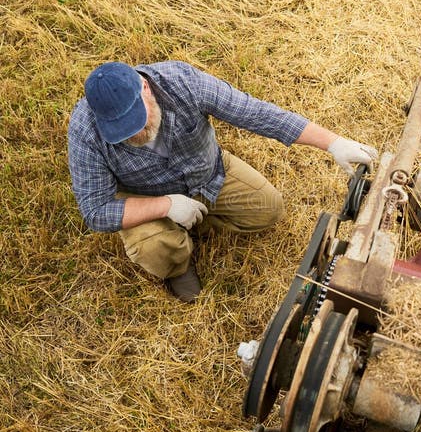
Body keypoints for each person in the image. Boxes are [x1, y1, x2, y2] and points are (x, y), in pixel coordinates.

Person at [68, 60, 378, 302]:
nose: (135, 134)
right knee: (152, 247)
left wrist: (333, 143)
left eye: (137, 120)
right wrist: (167, 206)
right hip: (146, 196)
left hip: (209, 174)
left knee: (269, 209)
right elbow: (95, 210)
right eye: (121, 130)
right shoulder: (85, 129)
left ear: (145, 88)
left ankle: (193, 221)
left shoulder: (183, 83)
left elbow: (255, 113)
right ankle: (176, 261)